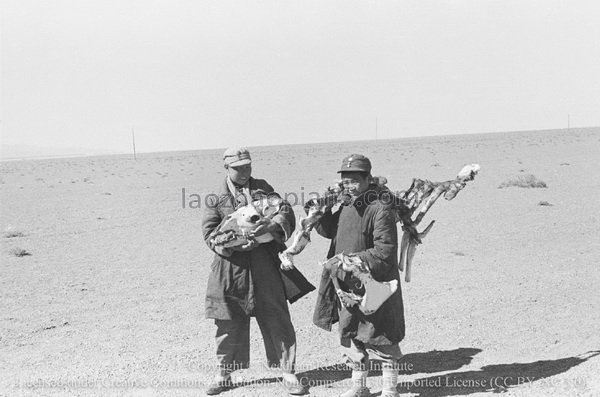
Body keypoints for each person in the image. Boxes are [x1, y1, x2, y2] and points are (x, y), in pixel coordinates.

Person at [202, 147, 314, 396]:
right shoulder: (215, 198)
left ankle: (288, 372)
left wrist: (272, 224)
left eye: (247, 166)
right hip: (232, 268)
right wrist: (234, 244)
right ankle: (224, 374)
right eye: (238, 168)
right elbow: (209, 234)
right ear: (226, 168)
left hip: (265, 264)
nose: (244, 172)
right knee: (227, 319)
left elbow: (285, 211)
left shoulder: (263, 188)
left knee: (277, 316)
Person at [311, 154, 405, 397]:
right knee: (352, 334)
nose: (349, 186)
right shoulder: (346, 204)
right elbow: (329, 229)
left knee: (382, 336)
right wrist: (320, 209)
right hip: (347, 283)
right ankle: (359, 388)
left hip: (375, 282)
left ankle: (390, 390)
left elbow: (384, 251)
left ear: (368, 179)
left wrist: (353, 261)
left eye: (354, 180)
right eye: (345, 181)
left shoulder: (380, 208)